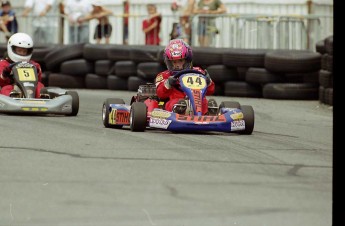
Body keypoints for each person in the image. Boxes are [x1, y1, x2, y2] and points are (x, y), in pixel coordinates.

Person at [155, 39, 215, 115]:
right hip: (176, 103)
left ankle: (210, 113)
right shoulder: (164, 75)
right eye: (174, 62)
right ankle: (179, 112)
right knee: (176, 103)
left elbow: (210, 91)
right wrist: (168, 84)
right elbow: (160, 94)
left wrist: (208, 82)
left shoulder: (198, 71)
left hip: (197, 100)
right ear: (169, 62)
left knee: (207, 102)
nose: (177, 65)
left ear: (187, 60)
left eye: (180, 61)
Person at [0, 33, 44, 98]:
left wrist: (37, 71)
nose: (22, 53)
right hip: (12, 87)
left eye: (24, 51)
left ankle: (43, 103)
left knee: (40, 86)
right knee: (6, 89)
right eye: (19, 50)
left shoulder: (34, 65)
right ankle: (10, 105)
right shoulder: (3, 64)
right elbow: (2, 82)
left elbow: (38, 80)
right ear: (11, 48)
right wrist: (5, 74)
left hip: (30, 87)